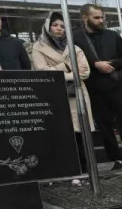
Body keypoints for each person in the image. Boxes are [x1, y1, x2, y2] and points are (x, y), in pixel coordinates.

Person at [76, 4, 122, 170]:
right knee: (105, 125)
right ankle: (116, 160)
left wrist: (113, 64)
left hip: (117, 87)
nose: (101, 20)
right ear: (85, 18)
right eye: (96, 17)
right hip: (94, 89)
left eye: (102, 17)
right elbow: (74, 62)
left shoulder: (112, 36)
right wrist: (95, 65)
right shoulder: (76, 39)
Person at [30, 11, 93, 180]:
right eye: (55, 25)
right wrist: (66, 68)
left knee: (80, 133)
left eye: (63, 26)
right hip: (54, 95)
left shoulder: (74, 47)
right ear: (48, 26)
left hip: (77, 93)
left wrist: (59, 70)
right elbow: (41, 71)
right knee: (61, 133)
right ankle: (66, 168)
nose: (59, 29)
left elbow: (85, 72)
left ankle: (85, 168)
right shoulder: (38, 47)